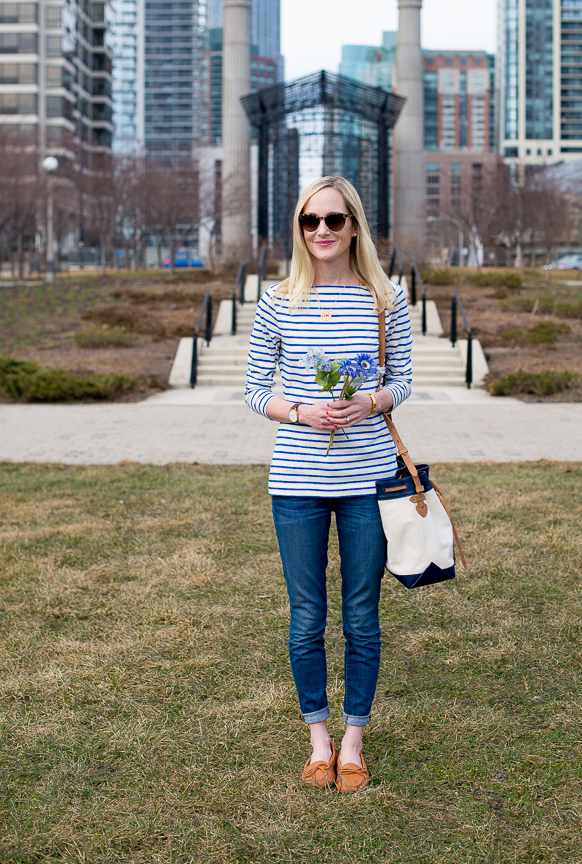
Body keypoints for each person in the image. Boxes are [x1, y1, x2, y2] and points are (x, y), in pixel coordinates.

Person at [245, 175, 412, 793]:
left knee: (362, 615)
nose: (322, 231)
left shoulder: (384, 298)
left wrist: (370, 400)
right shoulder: (278, 299)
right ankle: (317, 739)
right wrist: (300, 412)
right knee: (306, 615)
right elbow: (255, 390)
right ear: (300, 228)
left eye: (334, 221)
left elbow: (404, 381)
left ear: (354, 227)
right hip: (297, 482)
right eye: (310, 221)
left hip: (368, 479)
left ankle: (353, 741)